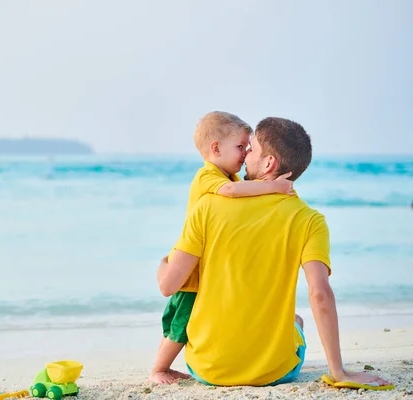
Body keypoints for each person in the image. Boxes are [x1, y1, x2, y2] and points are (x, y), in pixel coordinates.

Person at [156, 117, 392, 387]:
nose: (245, 156)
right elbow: (320, 294)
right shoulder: (310, 220)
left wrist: (163, 263)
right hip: (274, 373)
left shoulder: (208, 206)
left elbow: (169, 284)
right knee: (297, 320)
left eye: (251, 149)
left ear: (268, 163)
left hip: (207, 369)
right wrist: (340, 373)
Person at [149, 112, 294, 384]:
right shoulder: (208, 176)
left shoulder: (231, 177)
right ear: (215, 148)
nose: (245, 152)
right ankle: (159, 369)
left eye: (248, 147)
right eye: (240, 147)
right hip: (192, 265)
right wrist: (275, 186)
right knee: (181, 323)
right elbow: (229, 194)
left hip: (207, 261)